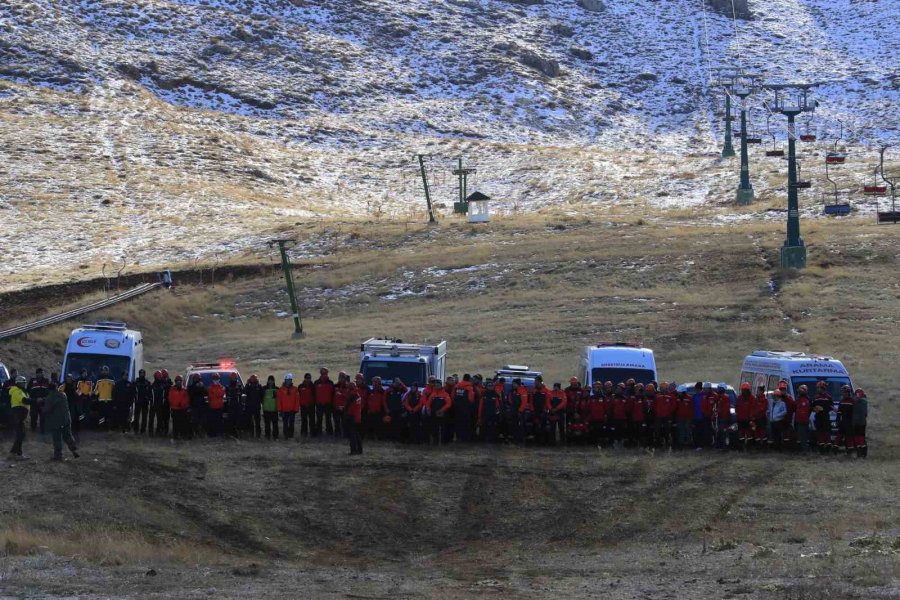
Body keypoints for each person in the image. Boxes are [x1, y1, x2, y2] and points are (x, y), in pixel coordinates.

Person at [42, 386, 79, 461]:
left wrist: (42, 409)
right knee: (68, 435)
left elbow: (47, 409)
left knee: (57, 439)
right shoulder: (63, 395)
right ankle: (73, 449)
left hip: (56, 421)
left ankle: (58, 455)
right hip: (66, 419)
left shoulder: (50, 397)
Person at [8, 376, 31, 459]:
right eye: (23, 382)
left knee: (20, 435)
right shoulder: (17, 391)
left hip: (20, 415)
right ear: (19, 383)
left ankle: (16, 453)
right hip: (18, 415)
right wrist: (36, 401)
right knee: (20, 435)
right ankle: (16, 454)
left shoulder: (20, 391)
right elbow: (24, 400)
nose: (24, 384)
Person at [426, 380, 452, 445]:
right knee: (434, 427)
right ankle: (435, 441)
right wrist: (428, 409)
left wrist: (441, 410)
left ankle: (443, 441)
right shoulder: (432, 394)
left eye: (438, 385)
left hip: (442, 414)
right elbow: (428, 403)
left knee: (443, 428)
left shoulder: (445, 394)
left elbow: (448, 404)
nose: (437, 386)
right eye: (436, 385)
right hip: (433, 413)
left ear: (441, 385)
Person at [452, 374, 475, 443]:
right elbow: (471, 398)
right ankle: (464, 438)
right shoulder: (469, 387)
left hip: (457, 407)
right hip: (465, 408)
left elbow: (452, 396)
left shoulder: (456, 386)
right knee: (465, 423)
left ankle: (458, 437)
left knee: (457, 422)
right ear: (469, 379)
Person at [478, 378, 502, 444]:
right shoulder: (483, 394)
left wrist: (498, 414)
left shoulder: (496, 394)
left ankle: (493, 440)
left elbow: (498, 406)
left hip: (493, 415)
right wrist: (479, 416)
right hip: (485, 414)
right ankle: (483, 440)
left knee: (493, 427)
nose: (490, 387)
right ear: (486, 386)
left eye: (491, 386)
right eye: (489, 386)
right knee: (483, 427)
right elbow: (480, 405)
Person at [277, 374, 300, 440]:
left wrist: (296, 409)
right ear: (285, 380)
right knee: (285, 424)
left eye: (290, 380)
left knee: (291, 423)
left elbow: (297, 399)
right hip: (284, 410)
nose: (288, 381)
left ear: (291, 380)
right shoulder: (281, 389)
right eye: (287, 380)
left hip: (292, 410)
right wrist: (280, 409)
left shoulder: (295, 389)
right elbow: (279, 400)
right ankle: (286, 436)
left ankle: (291, 435)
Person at [652, 382, 674, 449]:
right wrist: (657, 412)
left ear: (667, 388)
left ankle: (668, 443)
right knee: (657, 430)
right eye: (662, 388)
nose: (663, 389)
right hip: (658, 416)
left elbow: (673, 406)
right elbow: (654, 405)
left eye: (665, 388)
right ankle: (658, 443)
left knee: (667, 430)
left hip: (667, 417)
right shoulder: (657, 396)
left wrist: (669, 412)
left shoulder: (671, 396)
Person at [314, 368, 336, 436]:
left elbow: (333, 394)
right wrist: (316, 402)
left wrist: (332, 403)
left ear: (327, 374)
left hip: (328, 404)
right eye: (322, 373)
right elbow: (314, 393)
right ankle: (318, 432)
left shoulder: (330, 382)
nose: (324, 375)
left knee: (328, 419)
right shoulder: (316, 382)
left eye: (325, 373)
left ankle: (329, 432)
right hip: (319, 404)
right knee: (319, 419)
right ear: (320, 374)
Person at [27, 368, 50, 433]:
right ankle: (33, 429)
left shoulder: (46, 381)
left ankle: (43, 431)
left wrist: (43, 398)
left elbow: (49, 392)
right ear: (37, 374)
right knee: (33, 416)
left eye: (42, 372)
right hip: (34, 402)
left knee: (43, 417)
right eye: (40, 373)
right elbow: (28, 390)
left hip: (43, 402)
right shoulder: (32, 381)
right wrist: (34, 398)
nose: (41, 374)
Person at [167, 375, 190, 440]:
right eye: (177, 381)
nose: (179, 382)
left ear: (182, 382)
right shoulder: (172, 389)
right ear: (175, 382)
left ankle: (183, 435)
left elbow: (187, 398)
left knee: (183, 423)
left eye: (180, 381)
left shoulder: (185, 390)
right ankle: (175, 435)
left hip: (182, 409)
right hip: (175, 409)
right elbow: (170, 398)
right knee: (175, 423)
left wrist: (182, 404)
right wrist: (177, 404)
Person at [812, 382, 833, 453]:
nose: (817, 389)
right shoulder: (815, 397)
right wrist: (815, 409)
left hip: (825, 417)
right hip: (818, 417)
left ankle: (828, 447)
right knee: (819, 432)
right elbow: (812, 406)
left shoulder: (828, 397)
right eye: (817, 388)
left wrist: (824, 409)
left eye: (819, 388)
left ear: (823, 388)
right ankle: (821, 447)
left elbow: (831, 407)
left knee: (826, 431)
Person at [836, 385, 855, 455]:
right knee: (838, 437)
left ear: (848, 392)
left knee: (849, 438)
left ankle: (849, 452)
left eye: (844, 392)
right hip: (843, 421)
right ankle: (834, 450)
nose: (843, 394)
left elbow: (854, 413)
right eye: (842, 392)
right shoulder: (842, 401)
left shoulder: (852, 401)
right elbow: (839, 411)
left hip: (850, 422)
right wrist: (837, 419)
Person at [149, 370, 169, 436]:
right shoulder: (152, 385)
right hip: (154, 404)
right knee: (152, 418)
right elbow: (149, 394)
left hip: (159, 404)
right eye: (158, 377)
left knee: (159, 419)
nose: (159, 378)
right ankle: (151, 430)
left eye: (160, 377)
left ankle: (158, 430)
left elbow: (168, 384)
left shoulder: (162, 385)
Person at [345, 382, 363, 455]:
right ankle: (359, 450)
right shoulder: (357, 394)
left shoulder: (352, 396)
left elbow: (347, 407)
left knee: (352, 435)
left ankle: (353, 451)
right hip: (357, 416)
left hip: (352, 417)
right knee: (357, 434)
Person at [132, 369, 152, 435]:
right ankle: (136, 429)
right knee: (136, 417)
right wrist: (134, 398)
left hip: (145, 402)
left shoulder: (147, 382)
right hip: (138, 402)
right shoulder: (136, 382)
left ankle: (143, 430)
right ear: (139, 374)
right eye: (141, 373)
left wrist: (149, 398)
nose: (142, 374)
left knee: (144, 417)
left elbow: (150, 392)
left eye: (143, 373)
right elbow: (133, 391)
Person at [243, 374, 264, 439]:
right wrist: (247, 384)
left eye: (254, 379)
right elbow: (244, 391)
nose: (253, 380)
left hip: (257, 407)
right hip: (249, 407)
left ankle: (258, 435)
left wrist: (260, 402)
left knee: (257, 422)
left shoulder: (259, 386)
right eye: (252, 379)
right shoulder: (248, 386)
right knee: (250, 422)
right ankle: (251, 434)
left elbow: (262, 395)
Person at [206, 373, 226, 437]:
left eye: (217, 379)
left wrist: (215, 394)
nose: (215, 380)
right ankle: (212, 434)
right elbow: (210, 396)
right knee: (212, 421)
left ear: (219, 379)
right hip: (212, 407)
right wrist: (217, 394)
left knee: (220, 421)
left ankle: (220, 433)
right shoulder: (210, 388)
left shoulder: (222, 387)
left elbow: (221, 394)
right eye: (214, 379)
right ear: (212, 379)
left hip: (220, 407)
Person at [794, 385, 811, 452]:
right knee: (801, 436)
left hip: (802, 421)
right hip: (799, 421)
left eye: (800, 391)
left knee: (803, 437)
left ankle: (805, 451)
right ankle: (803, 450)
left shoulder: (804, 400)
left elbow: (804, 412)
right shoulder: (799, 399)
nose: (799, 393)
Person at [714, 384, 731, 450]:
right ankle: (719, 445)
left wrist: (718, 411)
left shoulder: (725, 397)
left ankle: (725, 447)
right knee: (719, 432)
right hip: (720, 417)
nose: (718, 393)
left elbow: (726, 409)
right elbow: (716, 405)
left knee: (724, 433)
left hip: (724, 418)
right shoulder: (719, 397)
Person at [332, 372, 348, 439]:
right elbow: (332, 396)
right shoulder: (335, 386)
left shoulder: (348, 386)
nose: (341, 379)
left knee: (344, 422)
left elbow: (349, 397)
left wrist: (341, 395)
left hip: (344, 408)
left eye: (343, 377)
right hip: (336, 407)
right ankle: (337, 435)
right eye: (340, 377)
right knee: (336, 422)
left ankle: (345, 435)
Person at [852, 389, 868, 458]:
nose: (856, 396)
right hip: (856, 422)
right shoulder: (855, 401)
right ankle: (859, 452)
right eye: (856, 394)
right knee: (856, 438)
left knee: (861, 438)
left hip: (861, 422)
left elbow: (864, 413)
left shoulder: (863, 401)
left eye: (857, 394)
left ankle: (863, 453)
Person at [262, 375, 279, 440]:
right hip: (266, 409)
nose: (271, 382)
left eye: (272, 380)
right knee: (267, 424)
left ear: (274, 381)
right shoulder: (264, 389)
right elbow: (260, 397)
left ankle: (275, 436)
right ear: (268, 381)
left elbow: (279, 399)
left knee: (275, 424)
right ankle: (267, 436)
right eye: (270, 380)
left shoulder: (277, 389)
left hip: (274, 409)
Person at [752, 385, 768, 449]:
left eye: (758, 391)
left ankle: (764, 446)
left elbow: (762, 409)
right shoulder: (756, 399)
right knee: (756, 432)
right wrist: (752, 416)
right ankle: (757, 445)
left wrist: (756, 413)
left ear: (761, 391)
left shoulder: (764, 400)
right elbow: (753, 408)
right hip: (756, 419)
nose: (757, 392)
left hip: (762, 419)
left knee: (762, 432)